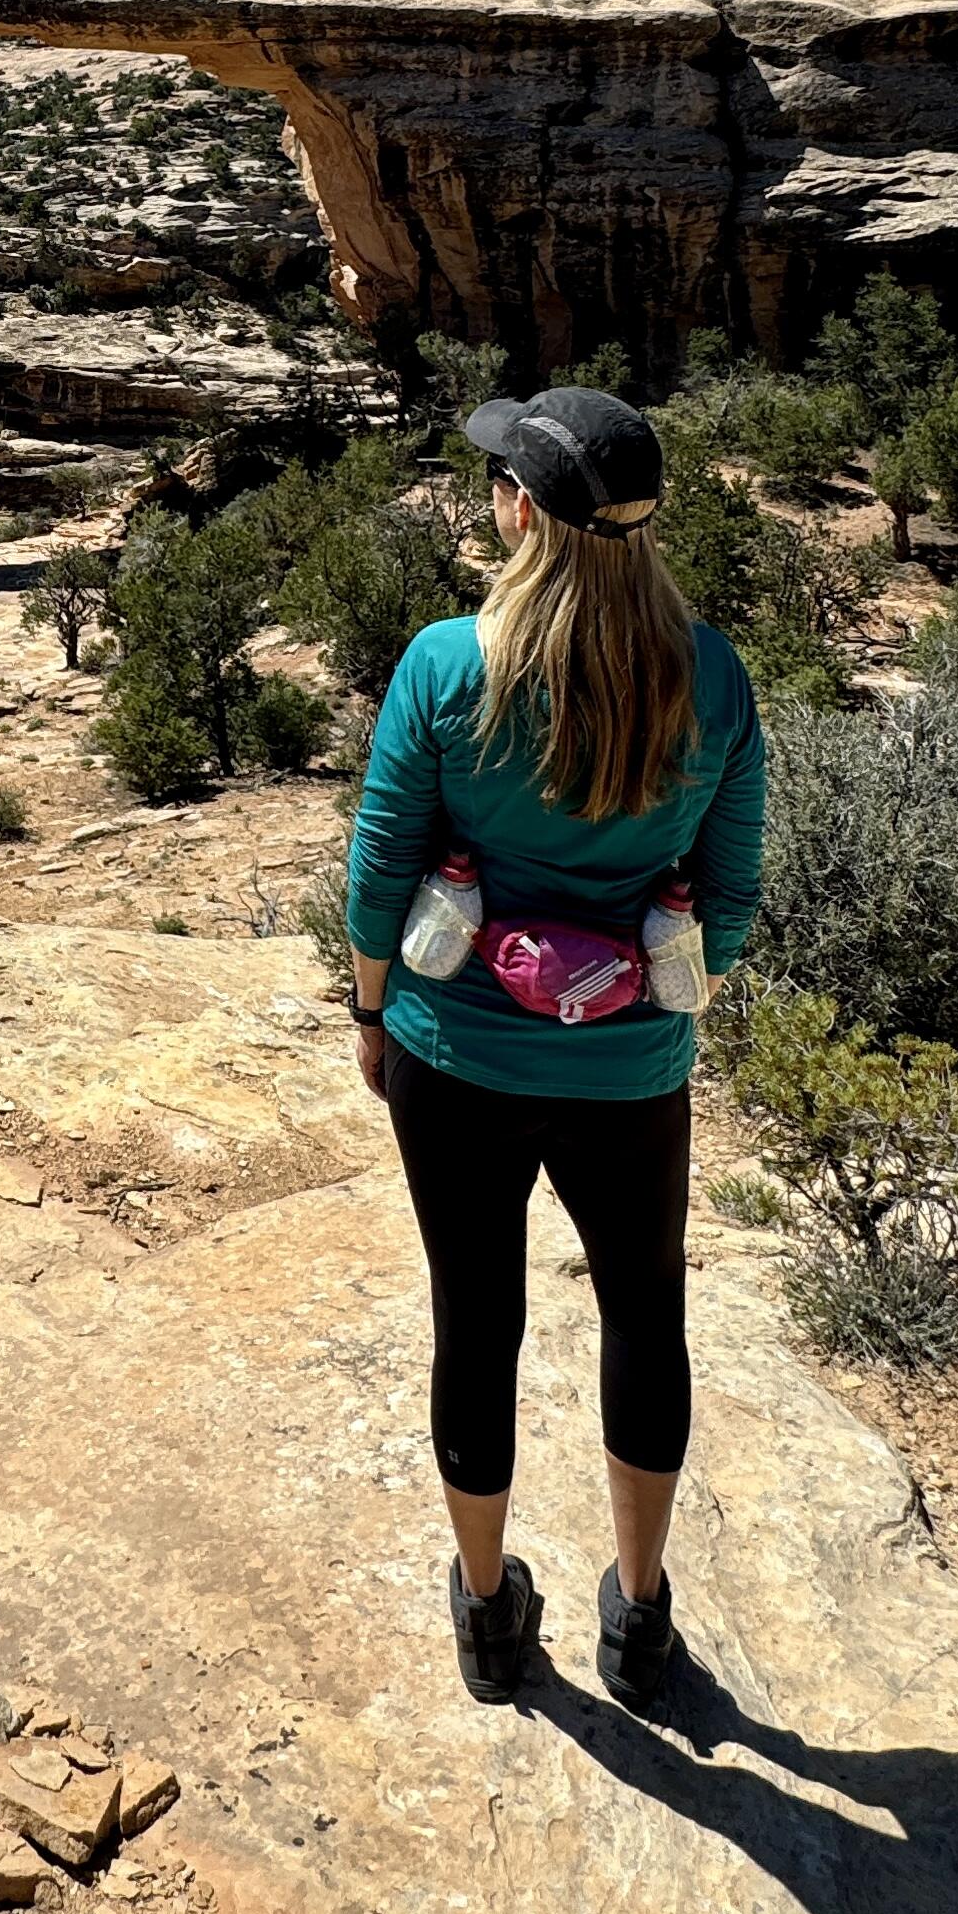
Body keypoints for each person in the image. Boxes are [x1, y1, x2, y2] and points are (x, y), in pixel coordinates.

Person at [343, 384, 765, 1713]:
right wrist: (651, 962)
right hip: (632, 1065)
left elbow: (379, 873)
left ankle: (485, 1608)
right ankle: (641, 1614)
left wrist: (372, 1010)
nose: (490, 493)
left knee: (478, 1317)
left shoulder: (446, 665)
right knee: (645, 1312)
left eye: (498, 478)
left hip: (454, 1053)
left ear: (524, 510)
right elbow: (735, 901)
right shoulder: (708, 675)